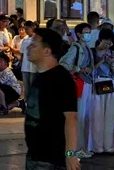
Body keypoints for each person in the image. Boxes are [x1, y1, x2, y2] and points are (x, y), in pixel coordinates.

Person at [24, 28, 79, 170]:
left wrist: (70, 154)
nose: (28, 48)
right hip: (35, 155)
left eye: (33, 45)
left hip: (51, 159)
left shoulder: (61, 78)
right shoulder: (40, 76)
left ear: (47, 51)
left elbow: (71, 118)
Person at [60, 22, 95, 158]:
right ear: (79, 34)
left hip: (87, 84)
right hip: (79, 84)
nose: (88, 35)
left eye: (89, 32)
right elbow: (64, 64)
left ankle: (81, 147)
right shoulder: (76, 48)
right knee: (79, 117)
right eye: (85, 32)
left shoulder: (87, 48)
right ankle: (75, 149)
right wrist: (79, 69)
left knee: (85, 117)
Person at [89, 28, 114, 154]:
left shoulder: (113, 54)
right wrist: (102, 60)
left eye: (110, 42)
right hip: (97, 83)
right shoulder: (92, 53)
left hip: (110, 84)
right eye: (106, 41)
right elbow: (90, 70)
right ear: (100, 40)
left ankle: (109, 146)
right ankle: (97, 147)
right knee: (96, 115)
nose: (108, 44)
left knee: (109, 116)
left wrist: (112, 64)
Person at [19, 21, 37, 97]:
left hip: (34, 66)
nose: (26, 31)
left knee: (33, 86)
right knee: (26, 87)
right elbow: (22, 53)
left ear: (32, 27)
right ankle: (27, 103)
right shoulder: (25, 39)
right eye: (25, 29)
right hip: (25, 66)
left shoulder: (37, 38)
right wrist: (20, 63)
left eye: (27, 29)